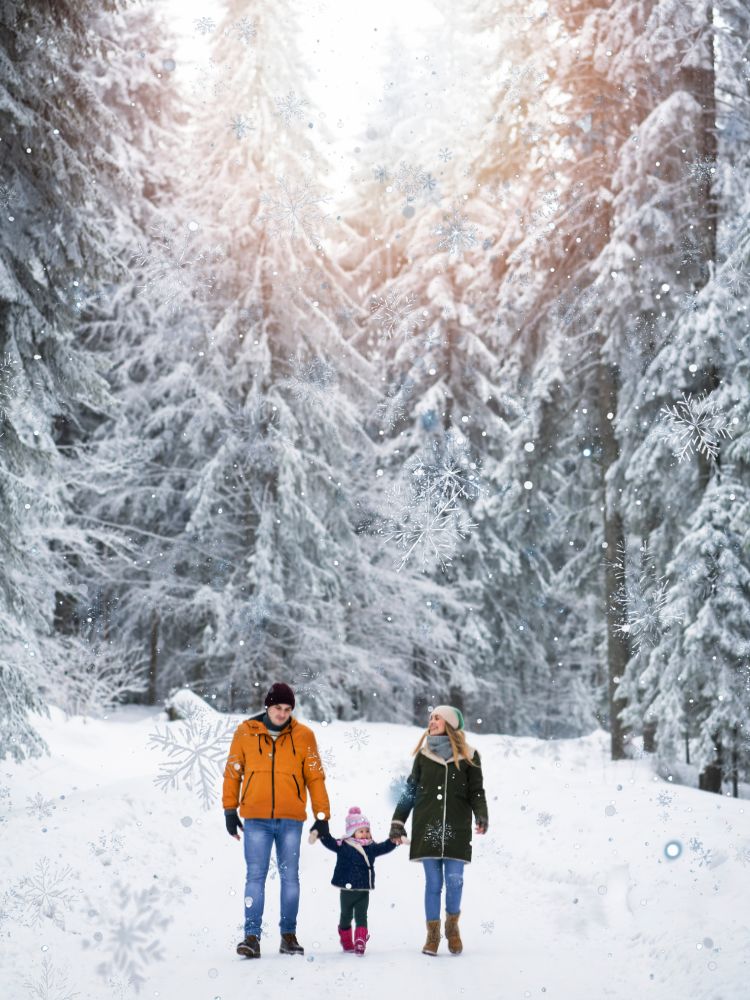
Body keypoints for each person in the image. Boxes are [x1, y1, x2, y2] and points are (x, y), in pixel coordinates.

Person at [222, 681, 331, 959]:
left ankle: (288, 936)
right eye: (277, 708)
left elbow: (315, 778)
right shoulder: (246, 732)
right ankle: (251, 937)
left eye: (287, 709)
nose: (282, 714)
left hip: (290, 819)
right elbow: (233, 773)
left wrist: (322, 816)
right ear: (267, 707)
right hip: (256, 819)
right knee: (255, 877)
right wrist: (229, 811)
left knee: (290, 877)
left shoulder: (304, 736)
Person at [389, 705, 488, 957]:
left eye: (437, 718)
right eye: (431, 717)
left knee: (455, 881)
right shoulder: (423, 756)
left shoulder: (470, 756)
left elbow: (476, 791)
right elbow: (410, 791)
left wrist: (482, 814)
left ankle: (452, 928)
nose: (431, 721)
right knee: (433, 883)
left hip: (456, 828)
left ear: (450, 724)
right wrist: (397, 822)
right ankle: (432, 934)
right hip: (427, 828)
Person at [312, 805, 399, 956]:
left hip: (363, 890)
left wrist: (392, 842)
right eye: (361, 831)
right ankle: (346, 941)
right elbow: (329, 842)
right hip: (347, 890)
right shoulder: (343, 845)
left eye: (367, 830)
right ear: (352, 832)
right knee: (345, 915)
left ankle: (360, 941)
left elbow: (383, 847)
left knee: (361, 915)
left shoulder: (371, 847)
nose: (365, 834)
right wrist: (322, 833)